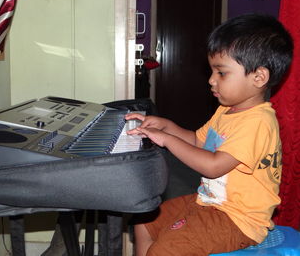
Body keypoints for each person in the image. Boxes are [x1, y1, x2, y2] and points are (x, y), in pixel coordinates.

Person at [125, 13, 293, 256]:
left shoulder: (258, 123)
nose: (212, 80)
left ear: (259, 77)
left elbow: (213, 167)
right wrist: (164, 126)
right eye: (212, 71)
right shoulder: (227, 110)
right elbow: (196, 140)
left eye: (221, 73)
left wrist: (168, 140)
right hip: (209, 202)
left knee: (164, 250)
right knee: (145, 221)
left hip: (238, 219)